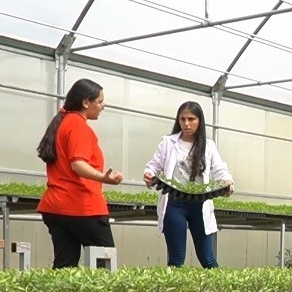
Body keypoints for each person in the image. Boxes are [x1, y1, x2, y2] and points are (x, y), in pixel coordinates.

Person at [36, 78, 124, 268]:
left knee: (65, 264)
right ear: (86, 102)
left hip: (55, 207)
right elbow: (78, 164)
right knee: (105, 264)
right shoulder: (78, 126)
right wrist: (104, 177)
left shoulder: (63, 122)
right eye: (99, 102)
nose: (103, 106)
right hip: (81, 206)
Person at [143, 101, 234, 268]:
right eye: (182, 119)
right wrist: (149, 174)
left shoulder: (209, 145)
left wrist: (227, 181)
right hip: (175, 203)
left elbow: (219, 169)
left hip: (200, 203)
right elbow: (154, 165)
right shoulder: (168, 142)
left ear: (199, 121)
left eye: (191, 119)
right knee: (176, 260)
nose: (186, 123)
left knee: (208, 259)